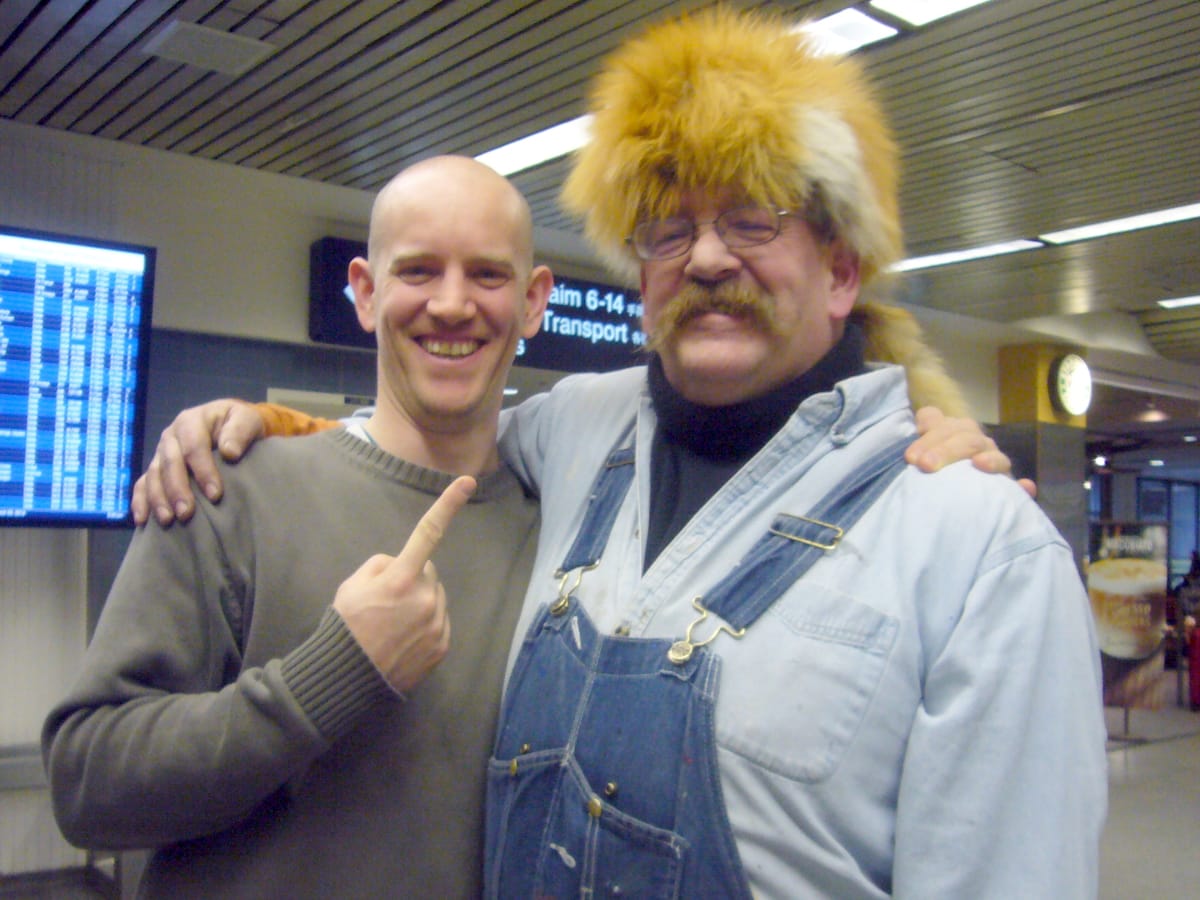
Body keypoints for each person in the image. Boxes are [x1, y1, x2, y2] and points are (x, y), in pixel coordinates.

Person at [120, 11, 1101, 899]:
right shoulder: (577, 426)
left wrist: (942, 418)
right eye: (671, 230)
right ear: (640, 274)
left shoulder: (978, 551)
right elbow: (418, 435)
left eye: (751, 218)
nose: (708, 258)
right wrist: (256, 424)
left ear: (842, 270)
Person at [41, 155, 552, 897]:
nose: (450, 304)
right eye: (417, 271)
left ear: (534, 300)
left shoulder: (564, 526)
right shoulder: (228, 489)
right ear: (365, 293)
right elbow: (87, 785)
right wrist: (327, 678)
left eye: (487, 274)